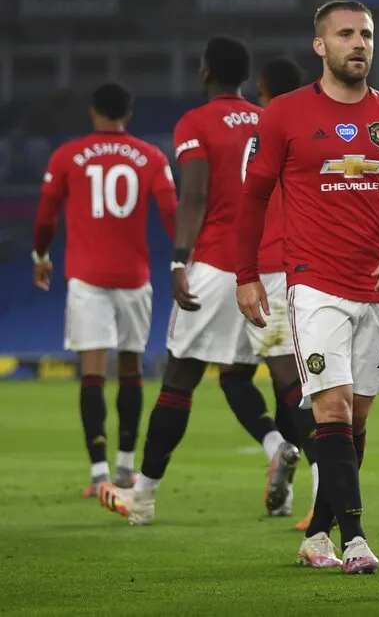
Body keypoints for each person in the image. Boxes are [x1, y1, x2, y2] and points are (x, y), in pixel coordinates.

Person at [99, 36, 299, 525]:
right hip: (272, 270)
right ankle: (308, 476)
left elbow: (193, 195)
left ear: (206, 70)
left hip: (218, 266)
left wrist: (179, 260)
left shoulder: (195, 122)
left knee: (180, 380)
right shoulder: (270, 117)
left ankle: (141, 499)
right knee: (282, 381)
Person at [237, 0, 379, 573]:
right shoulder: (283, 114)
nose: (358, 43)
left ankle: (318, 536)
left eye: (366, 34)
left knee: (355, 421)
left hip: (378, 289)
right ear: (320, 46)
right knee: (330, 408)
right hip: (314, 284)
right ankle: (355, 540)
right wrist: (246, 276)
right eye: (346, 34)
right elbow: (254, 197)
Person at [32, 82, 177, 496]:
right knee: (131, 369)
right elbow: (170, 211)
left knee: (92, 375)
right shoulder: (150, 156)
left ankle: (97, 474)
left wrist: (40, 256)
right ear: (128, 115)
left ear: (93, 112)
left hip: (87, 280)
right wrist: (184, 256)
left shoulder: (66, 156)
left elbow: (45, 218)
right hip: (135, 278)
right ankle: (126, 469)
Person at [244, 56, 321, 523]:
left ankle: (321, 489)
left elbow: (247, 198)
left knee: (294, 385)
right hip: (307, 266)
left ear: (264, 92)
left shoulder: (265, 132)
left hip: (273, 267)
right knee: (293, 383)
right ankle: (294, 484)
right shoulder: (313, 125)